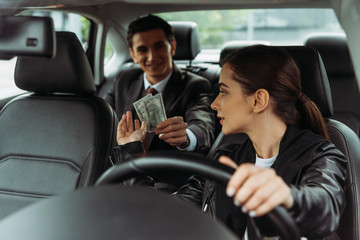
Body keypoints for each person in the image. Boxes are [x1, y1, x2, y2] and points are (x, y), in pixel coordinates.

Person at [111, 45, 347, 239]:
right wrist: (132, 152)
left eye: (223, 92)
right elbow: (168, 214)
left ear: (258, 100)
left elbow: (324, 206)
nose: (215, 104)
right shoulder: (227, 158)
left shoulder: (321, 155)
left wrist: (286, 197)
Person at [105, 14, 215, 156]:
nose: (152, 56)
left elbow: (203, 127)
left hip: (167, 171)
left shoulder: (195, 85)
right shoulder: (123, 79)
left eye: (159, 46)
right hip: (123, 169)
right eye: (142, 50)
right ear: (133, 54)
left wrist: (186, 137)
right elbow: (103, 121)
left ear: (172, 46)